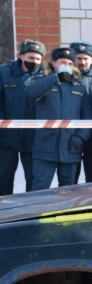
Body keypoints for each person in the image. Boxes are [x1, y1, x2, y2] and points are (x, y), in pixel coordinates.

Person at [24, 47, 92, 190]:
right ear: (54, 63)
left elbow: (87, 116)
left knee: (68, 191)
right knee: (39, 188)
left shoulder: (79, 87)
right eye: (63, 62)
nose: (66, 66)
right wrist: (55, 79)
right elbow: (32, 93)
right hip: (45, 147)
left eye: (69, 63)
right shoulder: (40, 81)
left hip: (70, 147)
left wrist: (80, 138)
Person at [0, 39, 45, 195]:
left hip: (33, 139)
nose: (35, 62)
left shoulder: (44, 76)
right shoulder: (4, 73)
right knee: (3, 180)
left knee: (34, 181)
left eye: (38, 59)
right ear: (22, 56)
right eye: (31, 58)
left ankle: (30, 212)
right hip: (6, 139)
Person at [69, 41, 92, 183]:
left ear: (91, 59)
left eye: (86, 59)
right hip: (72, 136)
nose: (82, 62)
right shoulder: (66, 79)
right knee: (71, 177)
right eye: (79, 58)